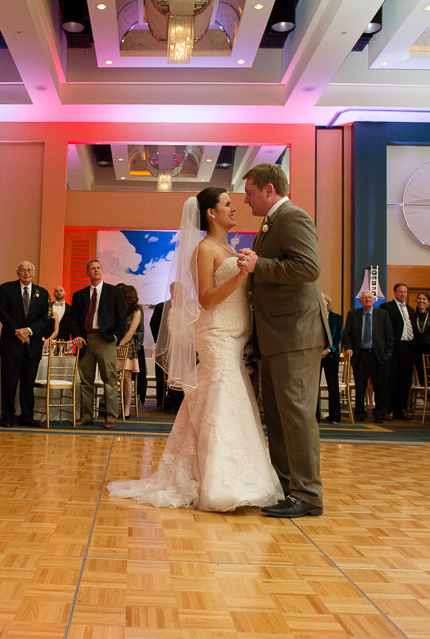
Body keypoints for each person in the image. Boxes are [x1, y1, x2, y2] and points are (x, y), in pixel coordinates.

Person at [107, 188, 283, 511]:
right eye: (227, 204)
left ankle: (213, 471)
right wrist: (243, 273)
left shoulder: (226, 246)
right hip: (216, 333)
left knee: (219, 398)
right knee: (223, 397)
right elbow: (206, 298)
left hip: (233, 335)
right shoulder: (204, 248)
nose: (234, 208)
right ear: (212, 214)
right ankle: (220, 482)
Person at [237, 164, 330, 518]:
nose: (245, 199)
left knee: (297, 414)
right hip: (276, 333)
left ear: (269, 189)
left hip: (295, 332)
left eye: (249, 192)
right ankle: (289, 488)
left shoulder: (292, 217)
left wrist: (260, 266)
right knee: (276, 415)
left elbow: (308, 267)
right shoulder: (270, 222)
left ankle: (309, 494)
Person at [72, 260, 127, 429]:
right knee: (86, 381)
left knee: (109, 380)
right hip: (86, 340)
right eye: (92, 268)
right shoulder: (79, 295)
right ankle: (87, 416)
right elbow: (73, 320)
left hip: (106, 340)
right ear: (87, 272)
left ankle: (110, 417)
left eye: (98, 268)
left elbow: (122, 317)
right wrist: (77, 336)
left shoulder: (114, 292)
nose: (95, 270)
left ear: (102, 271)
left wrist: (116, 336)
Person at [0, 261, 50, 427]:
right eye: (23, 269)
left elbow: (43, 319)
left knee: (28, 385)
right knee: (9, 384)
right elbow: (2, 313)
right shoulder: (6, 289)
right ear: (17, 272)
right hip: (11, 344)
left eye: (29, 270)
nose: (26, 272)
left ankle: (27, 417)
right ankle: (8, 417)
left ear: (33, 273)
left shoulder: (42, 293)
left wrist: (28, 331)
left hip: (32, 347)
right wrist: (19, 332)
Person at [342, 290, 393, 423]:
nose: (368, 300)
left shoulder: (383, 314)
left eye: (370, 297)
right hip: (360, 355)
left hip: (379, 356)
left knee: (380, 386)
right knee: (360, 386)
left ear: (374, 300)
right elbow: (346, 334)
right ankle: (359, 413)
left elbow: (390, 336)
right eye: (365, 298)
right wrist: (348, 348)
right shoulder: (353, 314)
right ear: (360, 301)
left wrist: (387, 354)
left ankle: (379, 414)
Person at [381, 283, 417, 420]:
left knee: (404, 380)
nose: (403, 294)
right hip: (394, 348)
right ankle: (387, 409)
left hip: (408, 348)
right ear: (395, 292)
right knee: (391, 380)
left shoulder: (411, 309)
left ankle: (399, 410)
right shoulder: (387, 307)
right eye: (400, 292)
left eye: (405, 292)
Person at [116, 284, 144, 419]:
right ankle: (113, 407)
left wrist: (119, 344)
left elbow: (132, 330)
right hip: (115, 344)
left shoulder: (136, 310)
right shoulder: (118, 308)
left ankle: (127, 409)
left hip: (128, 346)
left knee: (127, 378)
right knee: (113, 378)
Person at [317, 293, 343, 424]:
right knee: (314, 386)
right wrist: (318, 351)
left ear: (328, 302)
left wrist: (328, 350)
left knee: (333, 385)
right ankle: (315, 417)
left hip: (332, 355)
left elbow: (338, 337)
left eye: (322, 300)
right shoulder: (314, 317)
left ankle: (335, 417)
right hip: (316, 355)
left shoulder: (336, 318)